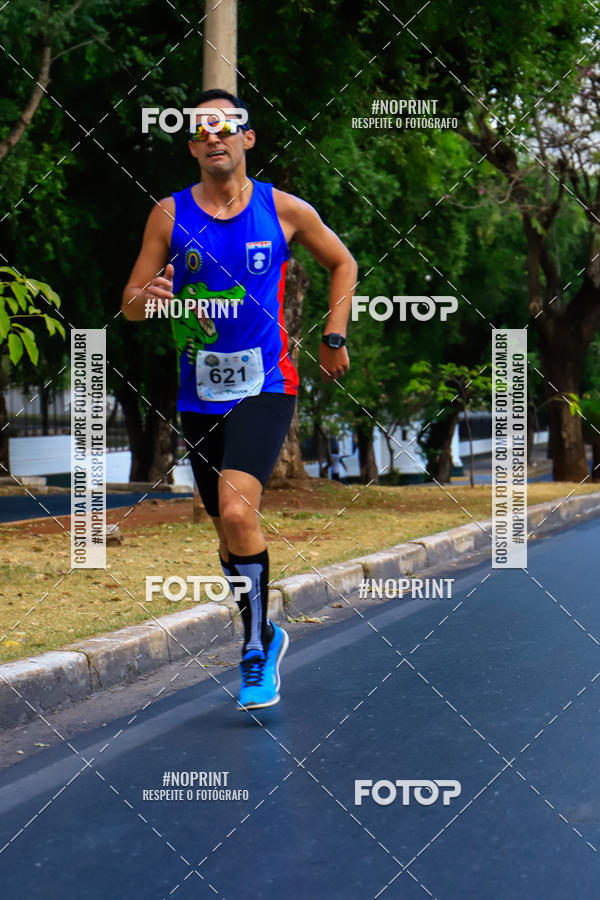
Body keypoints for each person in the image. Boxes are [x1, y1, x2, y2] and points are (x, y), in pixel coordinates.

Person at [121, 88, 357, 710]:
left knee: (233, 511)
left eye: (226, 127)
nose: (214, 138)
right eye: (202, 131)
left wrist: (334, 335)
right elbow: (130, 305)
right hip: (197, 395)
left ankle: (254, 651)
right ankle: (268, 630)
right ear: (193, 145)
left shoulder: (283, 210)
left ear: (247, 138)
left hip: (266, 385)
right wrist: (155, 297)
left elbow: (344, 263)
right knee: (231, 533)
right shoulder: (168, 215)